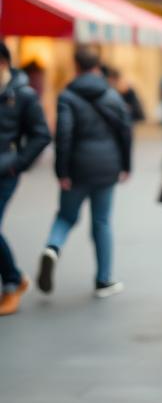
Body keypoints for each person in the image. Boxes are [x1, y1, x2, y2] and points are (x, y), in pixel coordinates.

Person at [37, 46, 133, 299]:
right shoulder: (112, 96)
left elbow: (63, 136)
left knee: (66, 217)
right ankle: (104, 280)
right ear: (97, 66)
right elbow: (125, 132)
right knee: (101, 222)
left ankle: (52, 248)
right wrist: (126, 166)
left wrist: (62, 172)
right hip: (107, 168)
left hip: (78, 168)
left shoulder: (67, 96)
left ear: (76, 66)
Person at [0, 39, 51, 316]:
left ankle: (12, 281)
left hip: (5, 172)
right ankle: (14, 279)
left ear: (4, 63)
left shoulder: (23, 95)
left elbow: (42, 135)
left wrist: (16, 164)